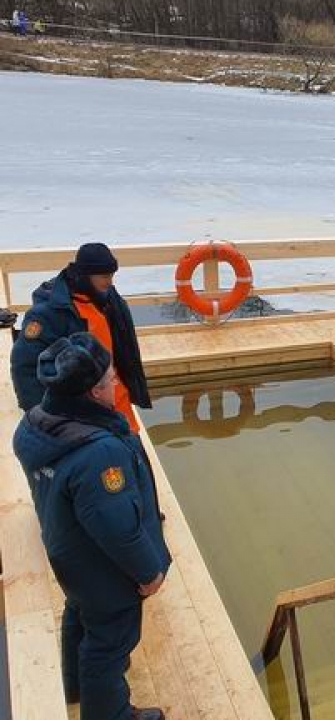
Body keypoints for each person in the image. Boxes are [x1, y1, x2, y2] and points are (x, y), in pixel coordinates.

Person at [12, 332, 171, 720]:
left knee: (79, 613)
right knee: (109, 645)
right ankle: (110, 713)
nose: (116, 384)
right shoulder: (99, 452)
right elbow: (118, 528)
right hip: (105, 570)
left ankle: (76, 685)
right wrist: (149, 571)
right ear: (91, 394)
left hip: (69, 553)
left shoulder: (36, 423)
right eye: (109, 381)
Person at [11, 242, 151, 433]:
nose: (110, 282)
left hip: (116, 394)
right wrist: (44, 416)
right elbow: (25, 367)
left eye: (112, 275)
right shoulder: (50, 313)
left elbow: (125, 350)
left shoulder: (109, 299)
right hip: (84, 408)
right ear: (84, 276)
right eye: (104, 276)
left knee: (132, 447)